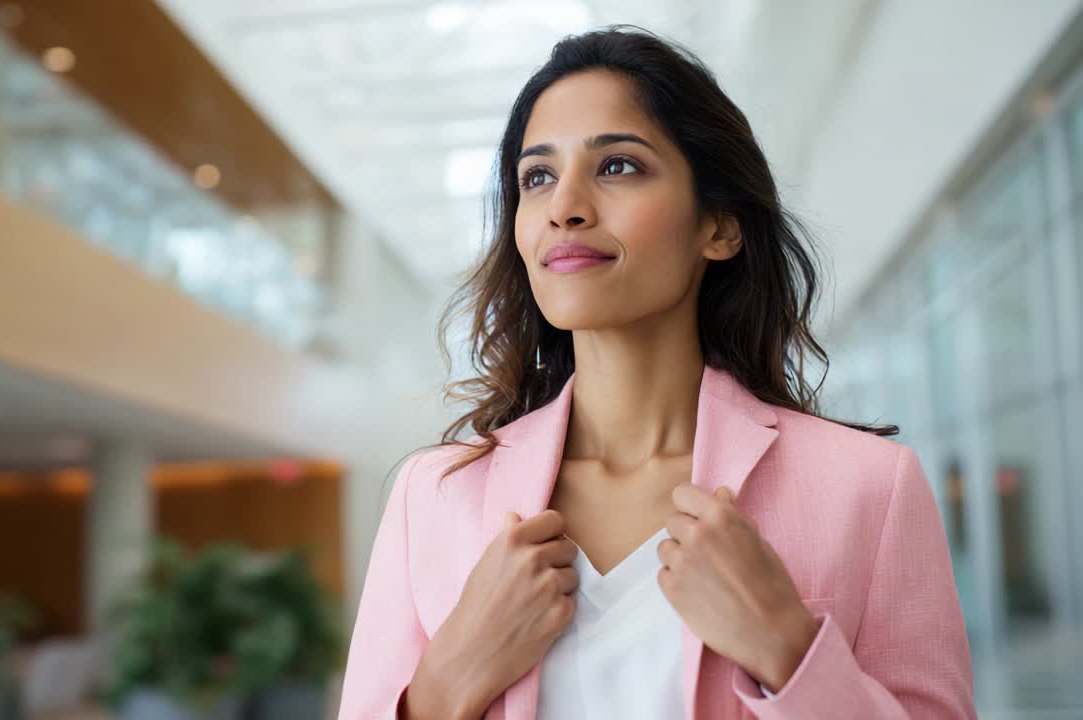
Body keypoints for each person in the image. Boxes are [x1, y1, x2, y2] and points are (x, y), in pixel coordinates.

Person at [338, 26, 976, 720]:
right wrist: (445, 683)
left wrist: (791, 652)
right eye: (538, 177)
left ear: (720, 226)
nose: (566, 207)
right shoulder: (432, 496)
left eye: (617, 166)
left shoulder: (871, 488)